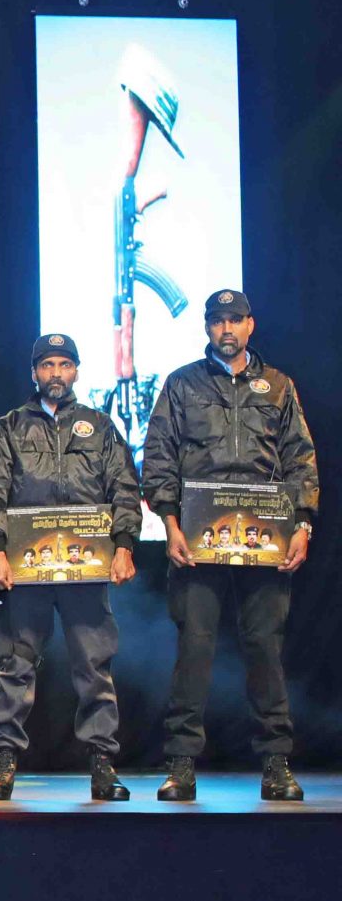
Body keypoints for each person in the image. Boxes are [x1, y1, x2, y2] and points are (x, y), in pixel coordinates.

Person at [142, 290, 319, 802]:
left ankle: (276, 764)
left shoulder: (279, 386)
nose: (226, 328)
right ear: (206, 327)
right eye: (217, 320)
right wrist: (169, 523)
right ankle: (181, 766)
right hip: (197, 540)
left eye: (234, 320)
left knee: (265, 648)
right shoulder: (181, 384)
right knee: (194, 650)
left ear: (250, 325)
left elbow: (300, 459)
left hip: (267, 539)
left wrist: (303, 525)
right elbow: (158, 457)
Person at [0, 333, 142, 802]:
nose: (56, 373)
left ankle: (103, 764)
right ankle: (3, 762)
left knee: (94, 666)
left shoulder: (100, 426)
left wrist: (124, 545)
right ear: (34, 372)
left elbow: (125, 489)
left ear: (77, 371)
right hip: (25, 570)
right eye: (47, 365)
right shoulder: (10, 426)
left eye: (64, 365)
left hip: (86, 569)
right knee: (15, 665)